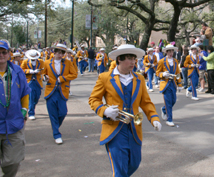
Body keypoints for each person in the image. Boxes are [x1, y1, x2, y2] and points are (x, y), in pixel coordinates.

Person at [89, 44, 162, 176]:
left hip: (134, 128)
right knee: (120, 168)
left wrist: (154, 118)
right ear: (119, 59)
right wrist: (104, 110)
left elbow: (146, 102)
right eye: (129, 58)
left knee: (135, 162)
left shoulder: (139, 78)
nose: (133, 62)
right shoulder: (105, 77)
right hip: (114, 129)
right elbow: (94, 100)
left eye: (134, 58)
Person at [0, 40, 30, 177]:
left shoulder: (17, 71)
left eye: (4, 52)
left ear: (9, 54)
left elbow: (25, 93)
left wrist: (24, 112)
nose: (1, 55)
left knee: (13, 161)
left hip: (14, 125)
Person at [44, 44, 78, 144]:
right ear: (54, 52)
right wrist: (44, 77)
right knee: (52, 114)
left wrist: (62, 78)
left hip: (63, 91)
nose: (60, 54)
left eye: (62, 53)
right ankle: (56, 134)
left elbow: (74, 74)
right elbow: (42, 74)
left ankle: (55, 127)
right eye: (58, 52)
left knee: (63, 112)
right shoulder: (46, 62)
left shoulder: (67, 62)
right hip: (50, 91)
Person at [156, 44, 182, 127]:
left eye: (172, 51)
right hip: (165, 84)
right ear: (166, 52)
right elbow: (157, 73)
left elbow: (177, 73)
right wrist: (163, 74)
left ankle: (164, 109)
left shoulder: (175, 61)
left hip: (173, 84)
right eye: (169, 51)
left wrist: (180, 84)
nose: (171, 53)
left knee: (173, 100)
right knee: (168, 102)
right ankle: (169, 119)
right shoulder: (161, 61)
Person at [21, 49, 45, 120]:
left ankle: (31, 107)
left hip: (38, 82)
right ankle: (31, 113)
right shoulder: (25, 61)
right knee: (31, 97)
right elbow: (21, 70)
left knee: (36, 97)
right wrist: (30, 71)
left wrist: (42, 74)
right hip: (29, 82)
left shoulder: (40, 61)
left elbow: (43, 70)